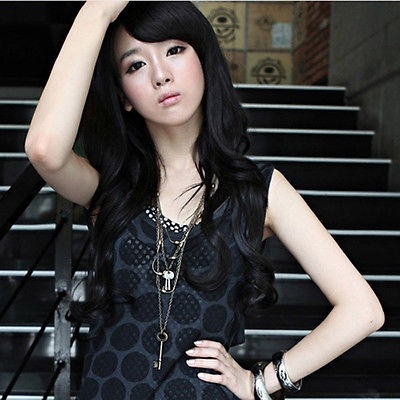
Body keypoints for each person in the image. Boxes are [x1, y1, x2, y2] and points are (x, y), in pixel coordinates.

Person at [25, 2, 385, 399]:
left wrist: (260, 382)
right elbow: (44, 150)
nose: (161, 75)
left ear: (203, 61)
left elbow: (363, 311)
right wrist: (95, 12)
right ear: (124, 96)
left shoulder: (257, 189)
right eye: (135, 65)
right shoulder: (109, 186)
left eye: (174, 50)